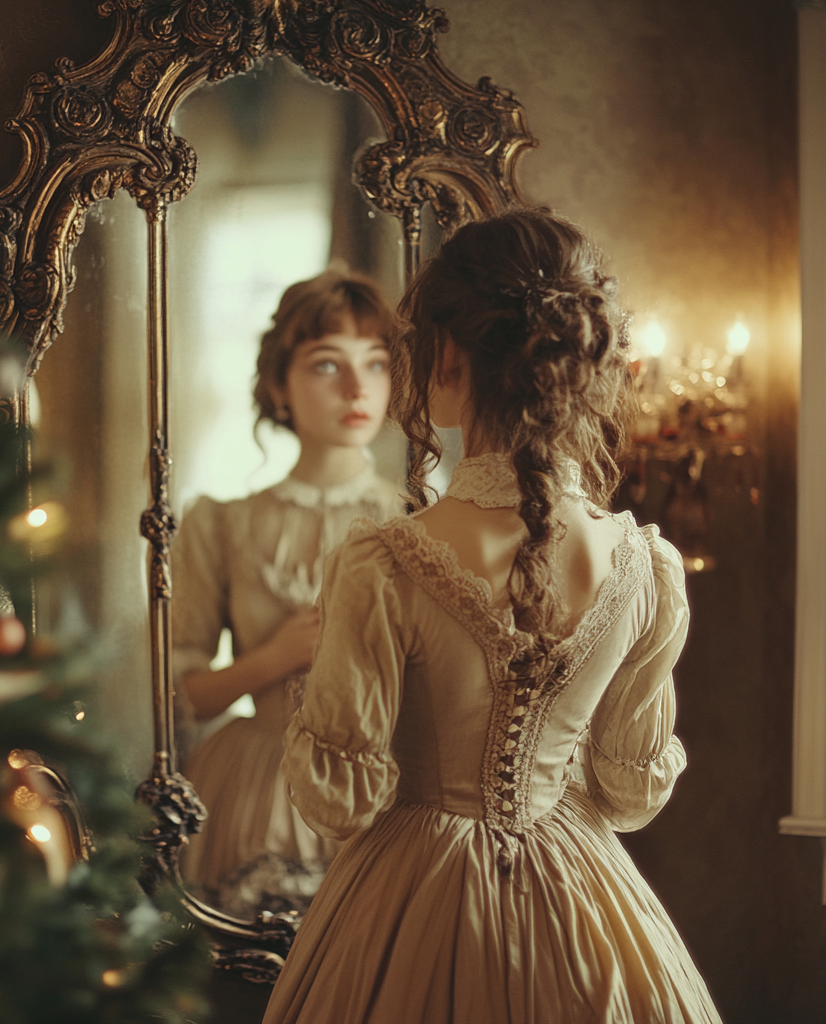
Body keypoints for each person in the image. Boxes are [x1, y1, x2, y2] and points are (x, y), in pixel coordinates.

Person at [263, 210, 722, 1023]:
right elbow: (625, 789)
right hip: (585, 898)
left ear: (447, 353)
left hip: (412, 898)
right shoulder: (643, 566)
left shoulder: (385, 562)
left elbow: (342, 802)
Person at [173, 269, 404, 919]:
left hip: (382, 790)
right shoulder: (219, 523)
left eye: (377, 364)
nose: (358, 389)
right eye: (328, 365)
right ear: (280, 384)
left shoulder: (417, 520)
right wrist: (272, 658)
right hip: (253, 787)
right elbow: (182, 693)